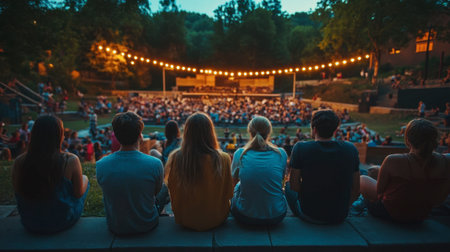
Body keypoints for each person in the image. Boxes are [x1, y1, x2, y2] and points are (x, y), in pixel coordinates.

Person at [360, 119, 450, 222]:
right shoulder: (446, 161)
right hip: (421, 214)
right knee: (375, 170)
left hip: (389, 212)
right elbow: (439, 199)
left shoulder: (393, 160)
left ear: (407, 140)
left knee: (362, 177)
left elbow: (379, 193)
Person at [11, 115, 89, 233]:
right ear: (59, 136)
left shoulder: (19, 161)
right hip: (62, 221)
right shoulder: (70, 160)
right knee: (84, 180)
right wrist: (86, 179)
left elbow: (18, 190)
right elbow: (78, 194)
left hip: (30, 222)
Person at [286, 110, 360, 224]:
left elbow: (294, 185)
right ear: (335, 130)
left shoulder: (300, 148)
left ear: (314, 129)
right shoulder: (350, 149)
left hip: (309, 214)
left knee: (287, 186)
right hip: (339, 215)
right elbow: (356, 189)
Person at [96, 112, 163, 235]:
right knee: (164, 189)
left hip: (116, 226)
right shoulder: (155, 163)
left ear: (116, 135)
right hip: (148, 224)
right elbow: (155, 192)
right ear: (140, 136)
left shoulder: (101, 165)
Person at [165, 112, 233, 231]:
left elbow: (172, 189)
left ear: (187, 132)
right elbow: (229, 193)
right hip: (217, 218)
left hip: (185, 218)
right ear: (210, 132)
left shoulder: (177, 157)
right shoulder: (224, 158)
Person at [231, 116, 288, 225]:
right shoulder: (281, 154)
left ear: (250, 132)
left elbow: (233, 185)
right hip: (277, 216)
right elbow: (280, 181)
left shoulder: (240, 154)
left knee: (238, 186)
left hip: (245, 216)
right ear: (269, 132)